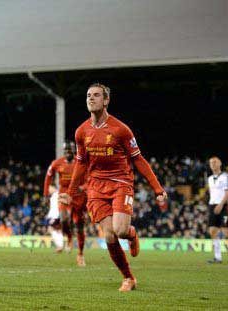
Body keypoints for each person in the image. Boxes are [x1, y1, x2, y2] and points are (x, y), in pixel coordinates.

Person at [59, 83, 167, 292]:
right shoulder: (81, 132)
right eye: (89, 95)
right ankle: (128, 278)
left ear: (106, 100)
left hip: (121, 183)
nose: (91, 98)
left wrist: (157, 189)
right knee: (109, 235)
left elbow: (138, 159)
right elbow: (81, 163)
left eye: (96, 95)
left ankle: (131, 233)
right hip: (96, 187)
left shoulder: (121, 130)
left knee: (120, 230)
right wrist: (70, 192)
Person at [44, 141, 88, 266]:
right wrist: (45, 193)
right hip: (64, 194)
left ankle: (80, 254)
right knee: (63, 219)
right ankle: (69, 238)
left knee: (79, 226)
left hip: (78, 197)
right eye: (66, 151)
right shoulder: (57, 163)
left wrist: (82, 188)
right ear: (64, 152)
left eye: (70, 151)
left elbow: (89, 180)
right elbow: (48, 176)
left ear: (74, 151)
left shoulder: (81, 163)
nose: (68, 153)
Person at [206, 156, 228, 264]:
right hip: (212, 205)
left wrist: (221, 204)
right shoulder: (209, 178)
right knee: (213, 231)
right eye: (211, 163)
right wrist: (211, 205)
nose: (213, 164)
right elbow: (212, 193)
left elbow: (227, 193)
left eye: (215, 162)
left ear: (220, 163)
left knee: (226, 232)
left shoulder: (225, 176)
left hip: (224, 206)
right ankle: (217, 257)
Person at [45, 185, 64, 253]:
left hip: (55, 215)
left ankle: (59, 246)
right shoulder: (53, 195)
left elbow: (61, 203)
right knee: (58, 230)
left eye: (49, 188)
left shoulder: (57, 194)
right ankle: (60, 246)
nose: (48, 190)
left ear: (53, 187)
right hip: (53, 215)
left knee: (50, 229)